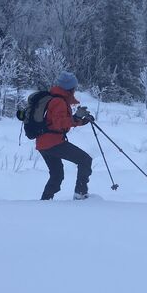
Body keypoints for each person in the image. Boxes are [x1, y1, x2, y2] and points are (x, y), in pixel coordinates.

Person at [36, 71, 93, 200]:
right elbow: (59, 123)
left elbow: (58, 122)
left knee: (57, 175)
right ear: (70, 88)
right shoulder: (58, 102)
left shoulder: (55, 98)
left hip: (43, 143)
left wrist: (81, 120)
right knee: (85, 160)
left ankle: (44, 202)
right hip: (53, 143)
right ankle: (81, 194)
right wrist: (77, 117)